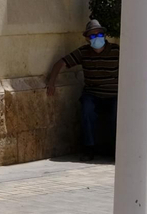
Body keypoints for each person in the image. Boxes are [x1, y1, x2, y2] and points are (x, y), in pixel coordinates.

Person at [46, 20, 120, 154]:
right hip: (93, 93)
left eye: (99, 35)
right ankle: (88, 148)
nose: (96, 38)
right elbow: (61, 63)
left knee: (116, 115)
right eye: (92, 36)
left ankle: (115, 148)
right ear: (87, 39)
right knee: (87, 111)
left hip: (114, 94)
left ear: (104, 35)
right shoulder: (83, 52)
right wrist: (52, 82)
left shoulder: (116, 51)